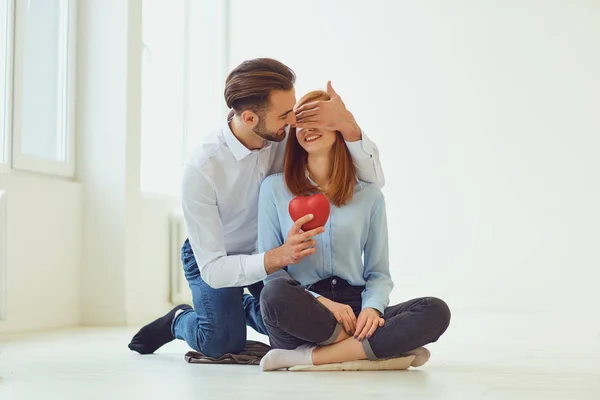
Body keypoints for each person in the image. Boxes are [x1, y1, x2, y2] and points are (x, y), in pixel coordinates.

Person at [128, 58, 385, 357]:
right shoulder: (201, 170)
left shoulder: (284, 133)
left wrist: (346, 124)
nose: (293, 122)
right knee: (220, 342)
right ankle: (179, 320)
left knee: (297, 324)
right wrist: (277, 257)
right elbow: (213, 268)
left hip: (273, 253)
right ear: (250, 118)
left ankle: (245, 308)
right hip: (218, 258)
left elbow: (373, 181)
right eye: (285, 115)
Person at [256, 90, 451, 371]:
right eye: (302, 122)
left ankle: (307, 358)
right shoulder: (273, 189)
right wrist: (324, 303)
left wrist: (372, 308)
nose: (308, 129)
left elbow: (379, 273)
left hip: (355, 307)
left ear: (337, 126)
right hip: (304, 307)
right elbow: (272, 271)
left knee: (434, 311)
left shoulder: (369, 196)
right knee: (274, 294)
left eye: (318, 119)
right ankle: (375, 348)